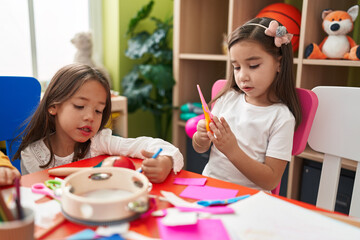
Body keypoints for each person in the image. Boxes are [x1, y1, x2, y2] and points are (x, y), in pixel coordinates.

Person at [14, 63, 183, 183]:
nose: (90, 117)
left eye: (98, 110)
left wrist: (166, 162)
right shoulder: (32, 155)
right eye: (80, 106)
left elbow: (155, 146)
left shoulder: (98, 141)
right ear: (53, 107)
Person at [192, 17, 302, 192]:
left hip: (250, 200)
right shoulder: (227, 98)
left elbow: (271, 181)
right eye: (236, 67)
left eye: (253, 65)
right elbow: (200, 148)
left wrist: (232, 150)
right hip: (210, 188)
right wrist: (201, 137)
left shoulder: (281, 117)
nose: (242, 76)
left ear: (279, 63)